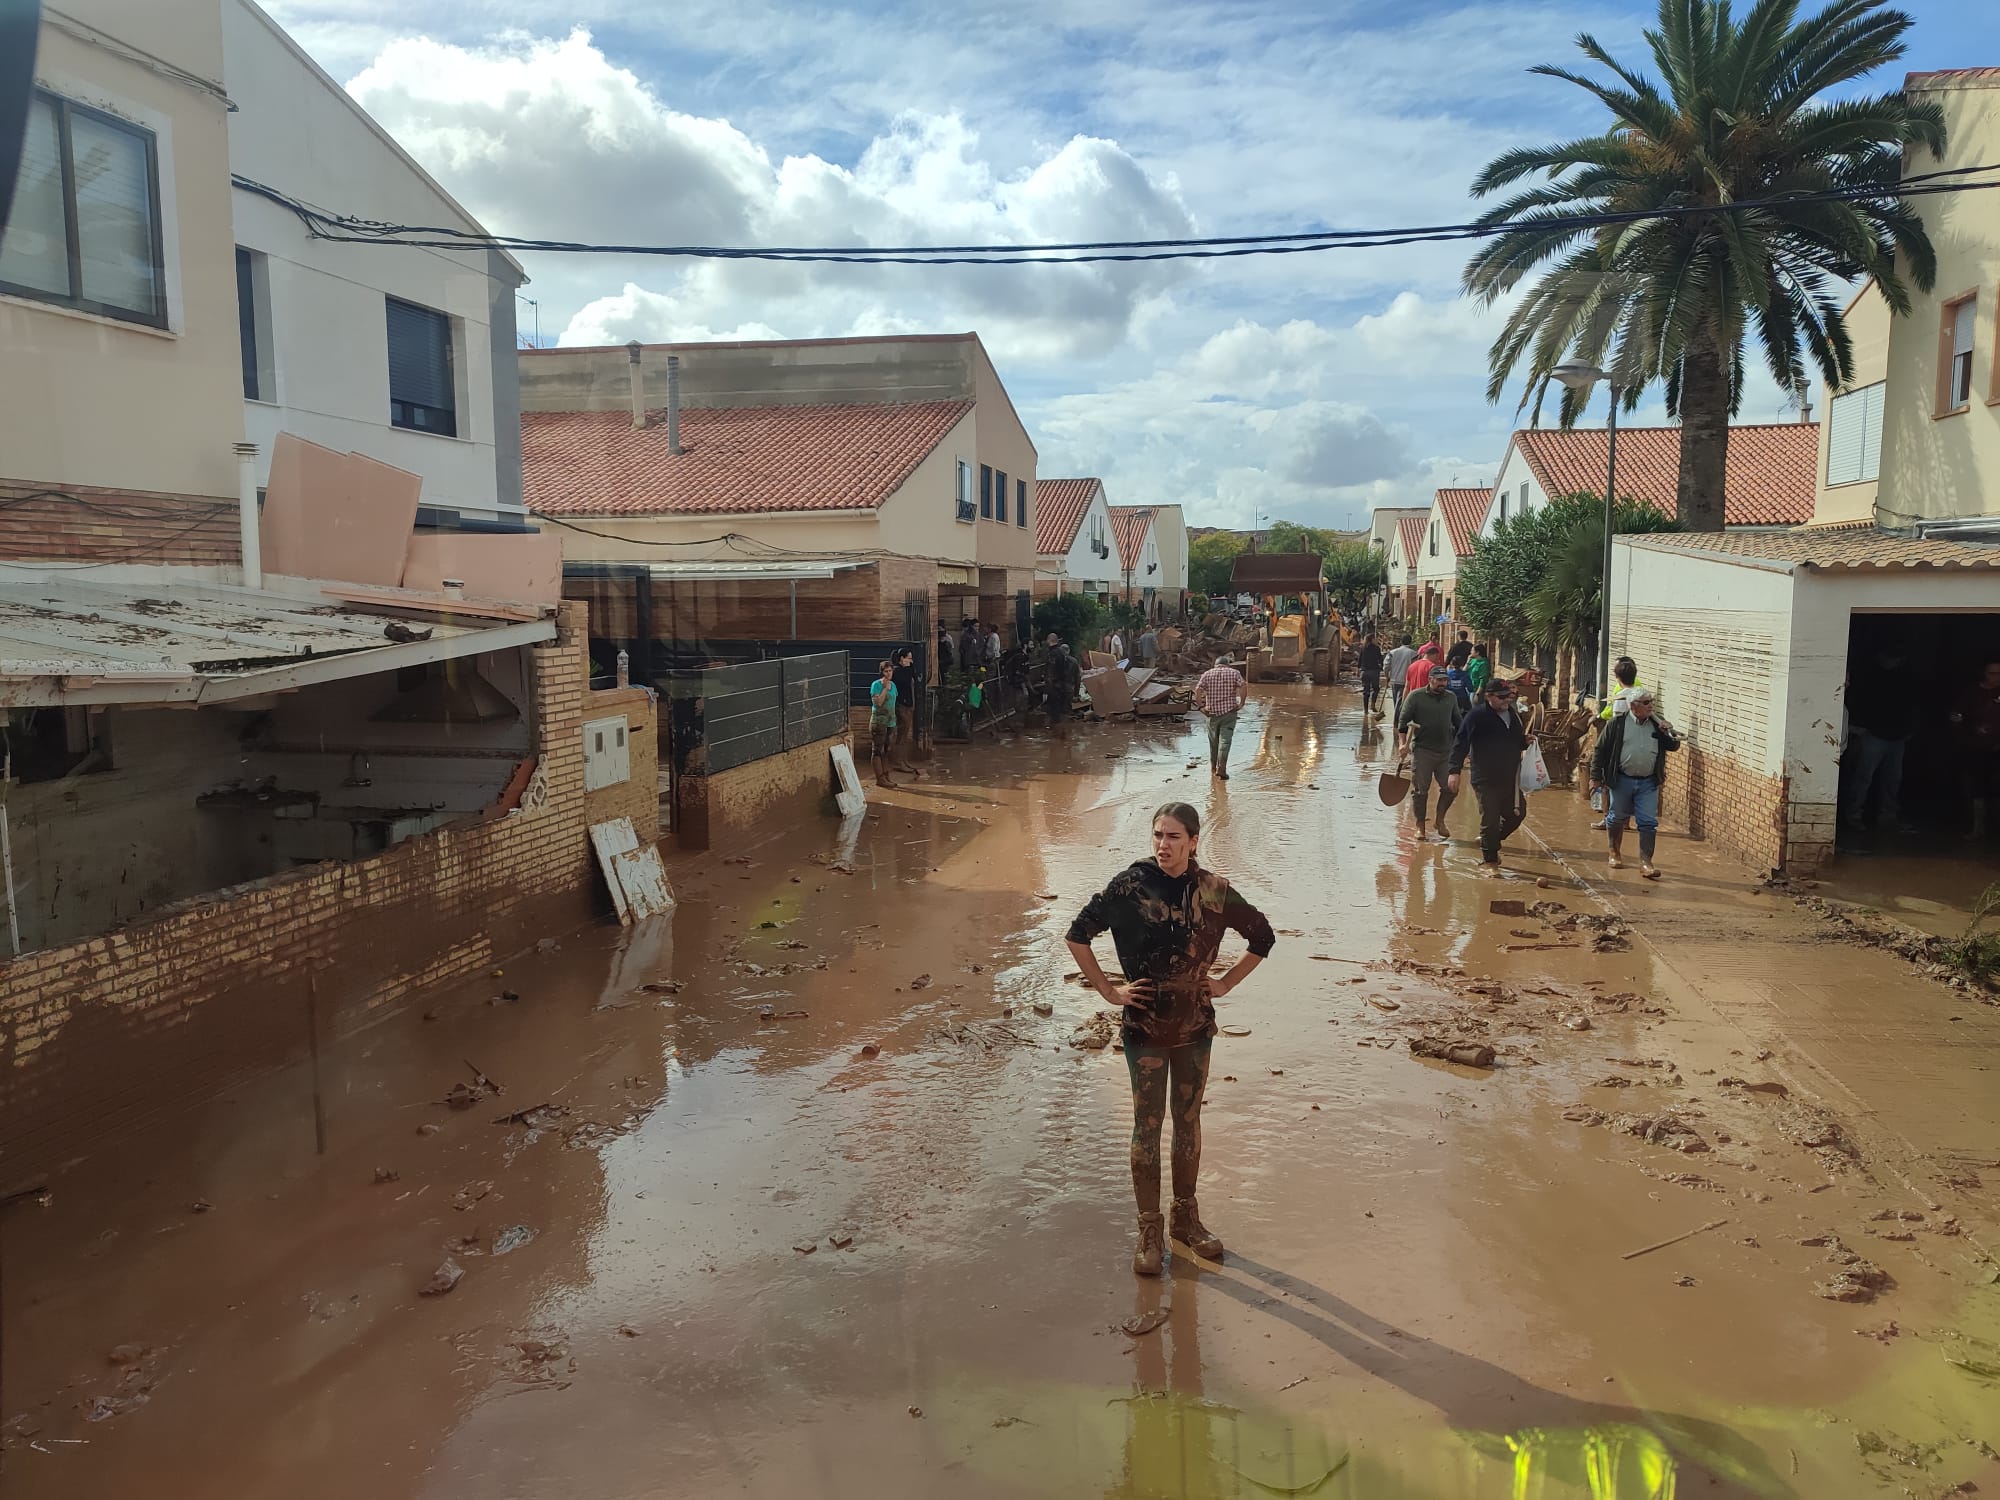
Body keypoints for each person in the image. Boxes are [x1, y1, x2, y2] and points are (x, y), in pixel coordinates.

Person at [1065, 802, 1275, 1275]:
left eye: (1174, 836)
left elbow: (1262, 936)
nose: (1164, 844)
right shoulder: (1129, 886)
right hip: (1144, 1029)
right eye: (1158, 835)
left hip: (1195, 1029)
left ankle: (1186, 1219)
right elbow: (1078, 934)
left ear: (1194, 841)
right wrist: (1108, 991)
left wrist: (1224, 983)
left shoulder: (1215, 891)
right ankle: (1148, 1228)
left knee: (1188, 1122)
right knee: (1147, 1125)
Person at [1447, 677, 1534, 876]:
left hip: (1510, 778)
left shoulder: (1512, 714)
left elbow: (1514, 741)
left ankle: (1489, 840)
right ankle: (1490, 861)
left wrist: (1524, 741)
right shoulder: (1476, 716)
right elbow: (1460, 744)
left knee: (1517, 814)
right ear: (1488, 696)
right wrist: (1454, 771)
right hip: (1485, 777)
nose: (1506, 700)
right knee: (1490, 819)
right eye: (1502, 697)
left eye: (1509, 696)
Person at [1590, 687, 1680, 879]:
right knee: (1616, 817)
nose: (1650, 706)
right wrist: (1595, 777)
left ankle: (1646, 862)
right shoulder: (1616, 724)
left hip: (1648, 782)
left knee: (1648, 822)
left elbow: (1673, 746)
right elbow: (1600, 750)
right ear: (1633, 706)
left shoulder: (1656, 725)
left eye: (1651, 702)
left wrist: (1667, 731)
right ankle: (1614, 853)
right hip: (1622, 779)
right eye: (1646, 703)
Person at [1840, 647, 1918, 843]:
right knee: (1863, 778)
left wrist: (1909, 729)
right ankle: (1854, 815)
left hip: (1896, 736)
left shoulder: (1905, 679)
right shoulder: (1870, 678)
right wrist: (1859, 728)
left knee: (1891, 779)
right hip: (1874, 735)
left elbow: (1912, 706)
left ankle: (1886, 816)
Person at [1398, 661, 1463, 843]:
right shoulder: (1416, 697)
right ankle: (1420, 826)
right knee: (1420, 791)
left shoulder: (1451, 698)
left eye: (1445, 680)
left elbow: (1459, 723)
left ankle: (1440, 820)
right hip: (1422, 751)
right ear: (1430, 680)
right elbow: (1403, 723)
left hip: (1446, 751)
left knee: (1451, 788)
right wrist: (1402, 744)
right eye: (1439, 680)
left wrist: (1464, 747)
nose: (1443, 683)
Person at [1949, 658, 2000, 840]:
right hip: (1976, 748)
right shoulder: (1972, 692)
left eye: (1999, 673)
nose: (1996, 677)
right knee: (1978, 787)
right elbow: (1956, 715)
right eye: (1992, 673)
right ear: (1983, 673)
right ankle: (1978, 828)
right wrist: (1965, 724)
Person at [1195, 652, 1248, 780]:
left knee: (1213, 742)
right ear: (1227, 665)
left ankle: (1213, 769)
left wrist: (1201, 707)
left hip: (1212, 713)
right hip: (1229, 713)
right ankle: (1222, 768)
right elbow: (1243, 686)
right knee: (1225, 740)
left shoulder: (1207, 674)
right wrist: (1241, 703)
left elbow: (1198, 690)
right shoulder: (1234, 673)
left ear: (1216, 665)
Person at [889, 647, 922, 777]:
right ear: (902, 659)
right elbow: (905, 681)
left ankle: (903, 760)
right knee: (901, 735)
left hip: (909, 704)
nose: (911, 660)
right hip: (901, 705)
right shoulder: (898, 672)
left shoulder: (907, 670)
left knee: (905, 735)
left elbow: (915, 677)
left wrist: (911, 667)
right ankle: (898, 762)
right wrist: (908, 668)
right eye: (909, 658)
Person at [867, 659, 899, 788]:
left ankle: (886, 775)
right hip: (879, 722)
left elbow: (894, 702)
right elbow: (878, 703)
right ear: (882, 672)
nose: (888, 673)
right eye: (886, 671)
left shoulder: (894, 685)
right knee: (877, 750)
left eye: (890, 671)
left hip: (890, 721)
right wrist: (885, 689)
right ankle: (879, 778)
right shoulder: (876, 685)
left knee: (887, 750)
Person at [1597, 657, 1643, 721]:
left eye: (1616, 669)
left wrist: (1601, 716)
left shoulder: (1621, 696)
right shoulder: (1642, 692)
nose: (1614, 671)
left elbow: (1617, 722)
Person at [1384, 636, 1417, 721]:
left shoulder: (1392, 652)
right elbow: (1415, 667)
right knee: (1401, 701)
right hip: (1406, 681)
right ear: (1410, 642)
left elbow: (1386, 666)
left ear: (1401, 642)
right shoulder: (1413, 654)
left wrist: (1387, 676)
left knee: (1396, 701)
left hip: (1394, 680)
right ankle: (1398, 721)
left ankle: (1397, 721)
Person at [1357, 632, 1383, 718]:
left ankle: (1365, 710)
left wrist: (1358, 670)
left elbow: (1359, 661)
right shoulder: (1376, 648)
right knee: (1376, 689)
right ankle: (1372, 704)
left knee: (1366, 691)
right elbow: (1380, 660)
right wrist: (1381, 667)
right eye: (1375, 638)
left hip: (1364, 672)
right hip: (1374, 672)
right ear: (1372, 639)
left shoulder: (1362, 648)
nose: (1376, 640)